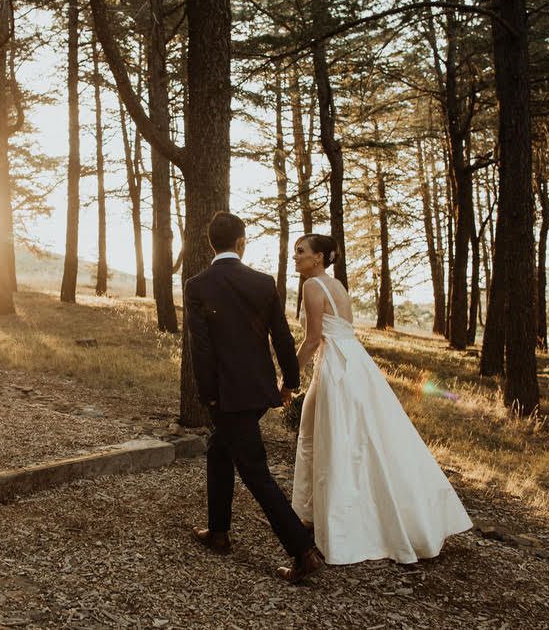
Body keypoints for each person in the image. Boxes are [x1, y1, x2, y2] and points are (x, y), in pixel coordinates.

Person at [289, 233, 473, 565]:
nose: (295, 257)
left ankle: (335, 522)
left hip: (335, 367)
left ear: (318, 258)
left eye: (300, 252)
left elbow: (314, 338)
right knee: (361, 437)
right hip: (355, 362)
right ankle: (317, 513)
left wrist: (287, 376)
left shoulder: (312, 286)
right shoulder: (337, 285)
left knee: (329, 438)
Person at [185, 212, 321, 583]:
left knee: (255, 472)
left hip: (228, 395)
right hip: (259, 391)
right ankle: (218, 531)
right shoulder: (263, 283)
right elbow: (282, 337)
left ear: (211, 244)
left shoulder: (197, 285)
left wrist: (208, 396)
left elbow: (202, 348)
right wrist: (289, 382)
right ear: (242, 243)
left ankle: (301, 551)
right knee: (219, 448)